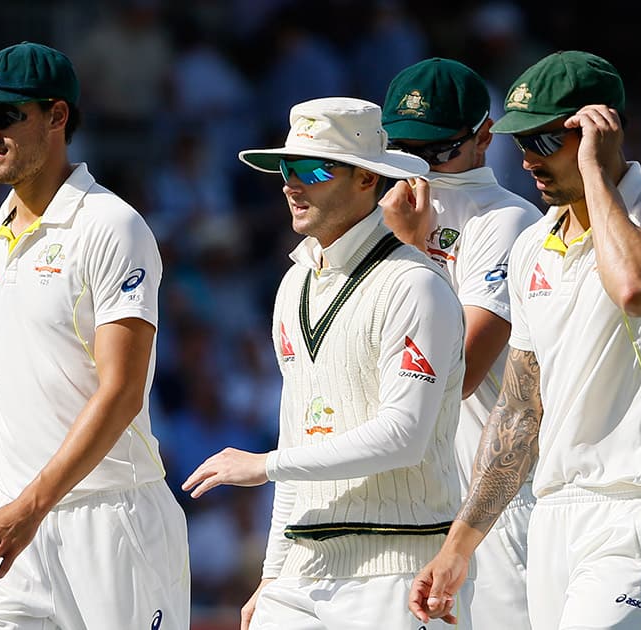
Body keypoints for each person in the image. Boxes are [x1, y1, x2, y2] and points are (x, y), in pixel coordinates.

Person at [409, 50, 641, 629]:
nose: (528, 160)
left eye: (547, 142)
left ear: (600, 133)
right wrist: (460, 544)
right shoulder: (532, 245)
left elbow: (637, 287)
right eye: (521, 143)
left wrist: (598, 175)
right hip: (554, 516)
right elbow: (521, 411)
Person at [181, 97, 467, 629]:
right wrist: (271, 574)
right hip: (301, 571)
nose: (292, 184)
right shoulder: (294, 285)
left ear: (366, 179)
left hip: (398, 571)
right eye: (286, 168)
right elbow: (297, 432)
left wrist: (263, 465)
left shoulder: (415, 285)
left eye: (311, 169)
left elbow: (403, 436)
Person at [0, 42, 189, 629]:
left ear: (57, 117)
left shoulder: (112, 226)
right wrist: (21, 506)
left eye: (6, 115)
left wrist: (31, 506)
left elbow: (123, 391)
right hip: (14, 516)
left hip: (113, 516)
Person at [379, 57, 540, 629]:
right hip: (414, 501)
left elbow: (460, 372)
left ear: (483, 138)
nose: (420, 167)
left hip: (490, 503)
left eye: (438, 151)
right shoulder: (381, 210)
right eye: (402, 149)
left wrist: (407, 251)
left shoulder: (508, 221)